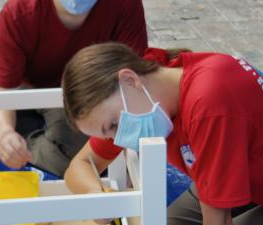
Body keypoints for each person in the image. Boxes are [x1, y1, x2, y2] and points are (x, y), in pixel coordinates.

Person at [62, 42, 263, 225]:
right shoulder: (148, 82)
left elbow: (218, 219)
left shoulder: (208, 102)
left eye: (113, 125)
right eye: (109, 135)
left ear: (129, 80)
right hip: (238, 181)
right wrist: (97, 194)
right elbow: (80, 165)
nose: (119, 139)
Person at [0, 0, 147, 176]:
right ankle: (37, 135)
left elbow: (132, 82)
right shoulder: (19, 11)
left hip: (85, 97)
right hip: (24, 84)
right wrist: (4, 133)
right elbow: (2, 90)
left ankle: (39, 139)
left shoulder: (124, 5)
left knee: (83, 155)